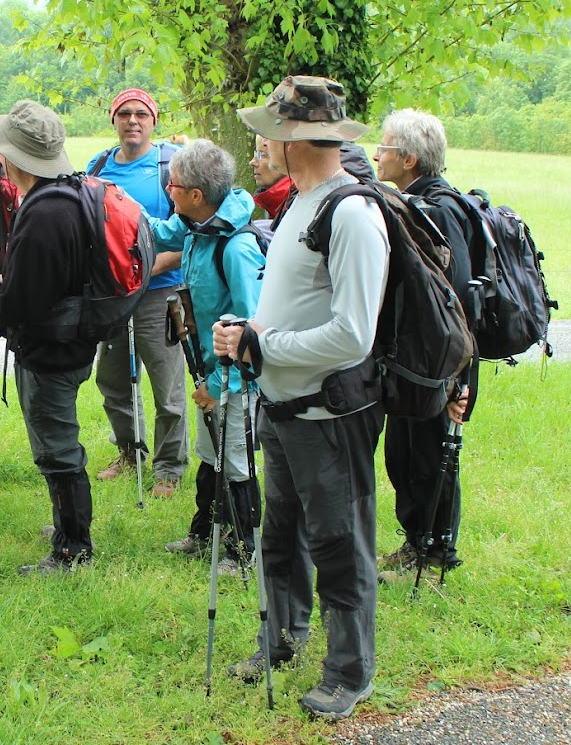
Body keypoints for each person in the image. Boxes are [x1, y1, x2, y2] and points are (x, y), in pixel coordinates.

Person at [214, 76, 388, 721]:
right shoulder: (300, 205)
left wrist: (265, 346)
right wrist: (247, 333)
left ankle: (350, 670)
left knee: (340, 541)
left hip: (330, 415)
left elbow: (353, 334)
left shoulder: (352, 213)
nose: (260, 140)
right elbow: (290, 311)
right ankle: (282, 637)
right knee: (280, 533)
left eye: (268, 130)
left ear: (294, 135)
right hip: (283, 407)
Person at [0, 101, 96, 576]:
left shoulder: (44, 216)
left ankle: (72, 548)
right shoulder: (70, 194)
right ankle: (67, 521)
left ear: (15, 157)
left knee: (57, 449)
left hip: (51, 350)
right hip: (74, 340)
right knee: (59, 441)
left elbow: (23, 304)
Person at [145, 140, 265, 574]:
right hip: (207, 373)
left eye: (172, 184)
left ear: (196, 194)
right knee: (210, 454)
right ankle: (205, 532)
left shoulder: (235, 247)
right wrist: (116, 207)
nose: (167, 190)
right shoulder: (198, 226)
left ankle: (244, 552)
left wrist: (219, 387)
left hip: (234, 382)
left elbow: (252, 328)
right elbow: (160, 233)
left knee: (236, 461)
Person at [373, 109, 478, 578]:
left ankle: (435, 551)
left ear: (409, 158)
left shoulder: (437, 211)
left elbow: (456, 302)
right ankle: (417, 541)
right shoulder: (420, 202)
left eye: (386, 147)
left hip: (439, 363)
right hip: (423, 361)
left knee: (430, 456)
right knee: (405, 452)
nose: (377, 154)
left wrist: (459, 383)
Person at [87, 88, 189, 498]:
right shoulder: (97, 168)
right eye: (124, 114)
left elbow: (186, 238)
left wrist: (143, 273)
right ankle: (131, 453)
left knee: (168, 388)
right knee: (111, 380)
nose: (133, 120)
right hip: (112, 296)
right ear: (113, 120)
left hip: (159, 294)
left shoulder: (171, 167)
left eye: (141, 114)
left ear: (154, 120)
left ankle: (169, 467)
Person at [251, 134, 293, 220]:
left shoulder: (295, 205)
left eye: (262, 155)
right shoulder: (276, 204)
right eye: (256, 153)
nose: (252, 162)